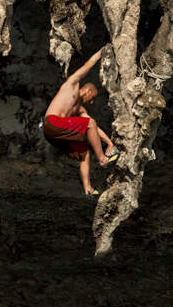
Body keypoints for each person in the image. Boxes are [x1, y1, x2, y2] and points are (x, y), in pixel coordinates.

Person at [43, 47, 119, 198]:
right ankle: (103, 159)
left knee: (85, 151)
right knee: (90, 122)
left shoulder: (80, 110)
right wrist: (102, 51)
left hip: (53, 134)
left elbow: (94, 128)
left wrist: (109, 143)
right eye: (92, 98)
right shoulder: (70, 86)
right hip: (51, 123)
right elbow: (87, 65)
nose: (92, 102)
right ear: (88, 91)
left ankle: (88, 189)